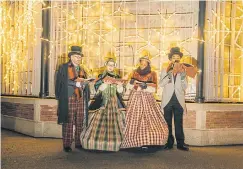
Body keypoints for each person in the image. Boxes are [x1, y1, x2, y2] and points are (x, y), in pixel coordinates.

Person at [120, 50, 168, 151]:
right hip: (135, 99)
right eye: (141, 62)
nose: (143, 64)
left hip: (147, 99)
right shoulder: (134, 72)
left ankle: (149, 142)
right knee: (134, 119)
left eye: (145, 63)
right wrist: (131, 83)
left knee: (149, 119)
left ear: (148, 64)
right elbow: (129, 86)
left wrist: (145, 86)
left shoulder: (152, 73)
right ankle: (133, 142)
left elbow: (154, 88)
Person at [80, 52, 126, 152]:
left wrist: (119, 86)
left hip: (114, 101)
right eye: (109, 65)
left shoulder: (118, 76)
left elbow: (121, 92)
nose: (111, 67)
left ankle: (117, 141)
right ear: (106, 65)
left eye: (112, 65)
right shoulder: (101, 75)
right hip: (102, 101)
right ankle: (97, 142)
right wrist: (103, 84)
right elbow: (97, 90)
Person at [55, 46, 91, 152]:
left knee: (79, 120)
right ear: (70, 57)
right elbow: (62, 81)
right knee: (68, 120)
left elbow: (84, 83)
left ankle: (78, 143)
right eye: (76, 57)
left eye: (80, 57)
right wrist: (76, 83)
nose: (78, 59)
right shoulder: (64, 67)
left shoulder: (83, 69)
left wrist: (85, 83)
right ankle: (67, 144)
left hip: (80, 97)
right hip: (69, 96)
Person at [159, 47, 189, 151]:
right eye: (174, 58)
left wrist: (182, 77)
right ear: (170, 59)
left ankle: (181, 143)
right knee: (167, 123)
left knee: (178, 122)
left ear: (180, 59)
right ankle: (169, 143)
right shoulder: (165, 69)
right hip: (168, 100)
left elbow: (185, 87)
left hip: (179, 100)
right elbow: (161, 84)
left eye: (177, 58)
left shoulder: (183, 71)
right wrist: (168, 75)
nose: (176, 59)